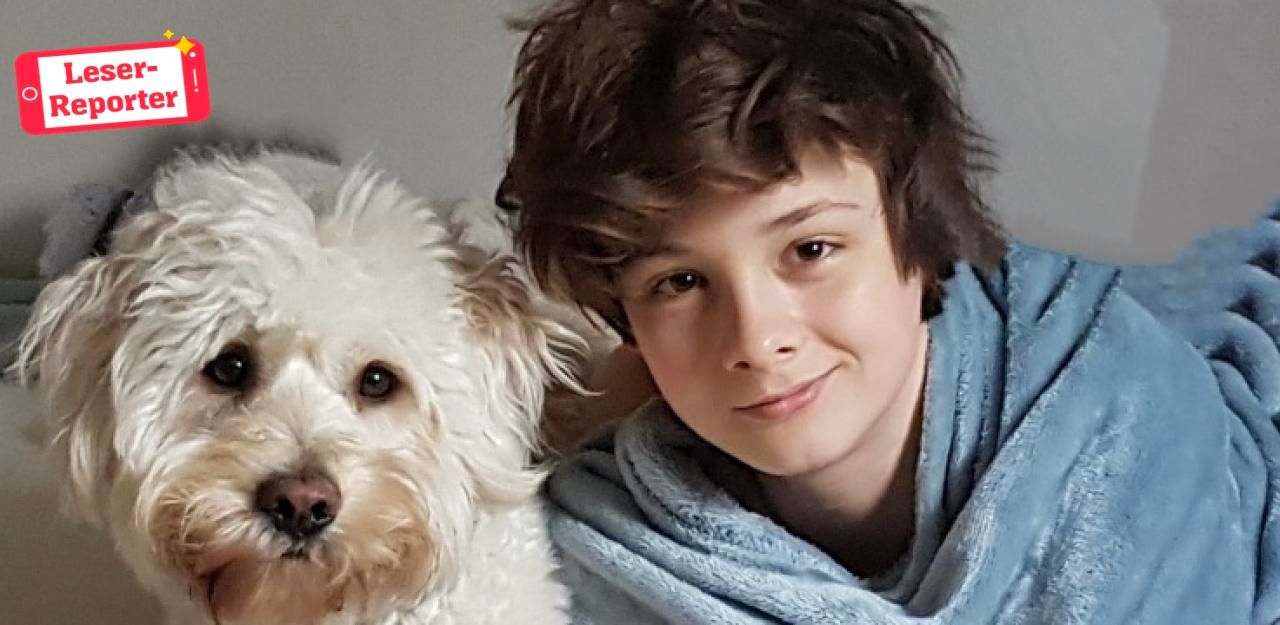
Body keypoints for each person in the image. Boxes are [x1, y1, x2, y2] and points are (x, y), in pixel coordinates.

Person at [499, 1, 1280, 623]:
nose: (757, 339)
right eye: (679, 283)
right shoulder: (601, 546)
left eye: (811, 249)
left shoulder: (1121, 423)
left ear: (918, 239)